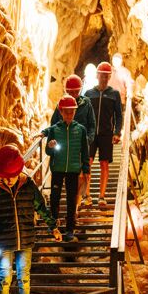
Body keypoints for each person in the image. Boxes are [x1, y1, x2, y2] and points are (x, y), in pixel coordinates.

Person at [0, 145, 61, 294]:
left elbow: (41, 207)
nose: (9, 180)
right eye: (5, 176)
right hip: (4, 241)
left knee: (24, 278)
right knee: (4, 279)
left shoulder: (28, 185)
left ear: (19, 171)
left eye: (12, 176)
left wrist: (53, 227)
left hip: (25, 239)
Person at [38, 95, 90, 242]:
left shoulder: (81, 130)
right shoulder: (54, 130)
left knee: (71, 200)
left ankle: (69, 230)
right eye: (66, 112)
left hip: (73, 170)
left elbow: (85, 151)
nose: (69, 115)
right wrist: (50, 146)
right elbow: (48, 152)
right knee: (54, 198)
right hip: (57, 169)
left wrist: (86, 169)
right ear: (61, 112)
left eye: (72, 112)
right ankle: (54, 226)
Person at [51, 74, 96, 207]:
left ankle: (78, 204)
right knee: (70, 177)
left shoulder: (86, 103)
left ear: (80, 90)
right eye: (71, 92)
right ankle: (73, 206)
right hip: (66, 147)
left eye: (76, 92)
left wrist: (88, 140)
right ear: (66, 91)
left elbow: (92, 124)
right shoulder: (62, 104)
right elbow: (53, 123)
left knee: (82, 175)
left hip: (81, 145)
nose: (74, 95)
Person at [85, 61, 123, 207]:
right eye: (102, 75)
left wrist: (117, 132)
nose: (104, 78)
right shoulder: (89, 93)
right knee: (87, 163)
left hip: (106, 134)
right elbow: (84, 115)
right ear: (97, 75)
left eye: (107, 76)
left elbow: (118, 115)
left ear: (109, 77)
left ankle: (101, 196)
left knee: (104, 163)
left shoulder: (114, 94)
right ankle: (86, 195)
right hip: (91, 133)